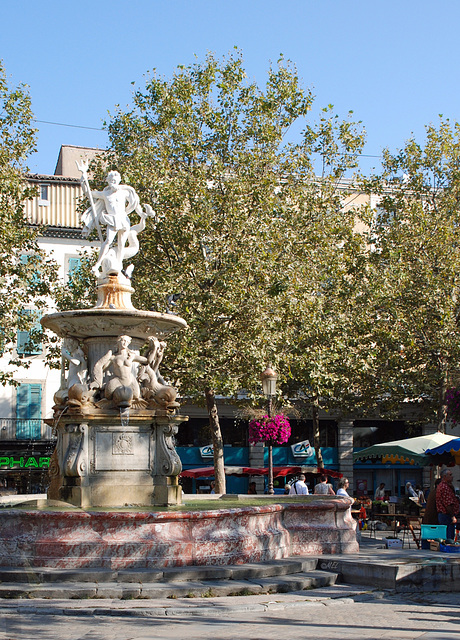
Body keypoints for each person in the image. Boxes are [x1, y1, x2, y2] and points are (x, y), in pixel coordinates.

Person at [79, 164, 153, 277]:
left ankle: (119, 266)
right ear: (108, 181)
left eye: (115, 180)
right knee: (108, 241)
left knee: (121, 245)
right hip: (112, 219)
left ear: (118, 180)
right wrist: (84, 177)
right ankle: (97, 265)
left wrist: (141, 213)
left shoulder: (124, 192)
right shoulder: (105, 194)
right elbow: (88, 194)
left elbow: (135, 203)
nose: (113, 182)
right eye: (111, 180)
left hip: (123, 219)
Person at [436, 468, 460, 540]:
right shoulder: (445, 487)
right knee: (449, 537)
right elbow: (448, 503)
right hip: (446, 515)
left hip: (444, 514)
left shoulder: (445, 486)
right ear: (444, 476)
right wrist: (452, 516)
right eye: (450, 475)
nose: (452, 476)